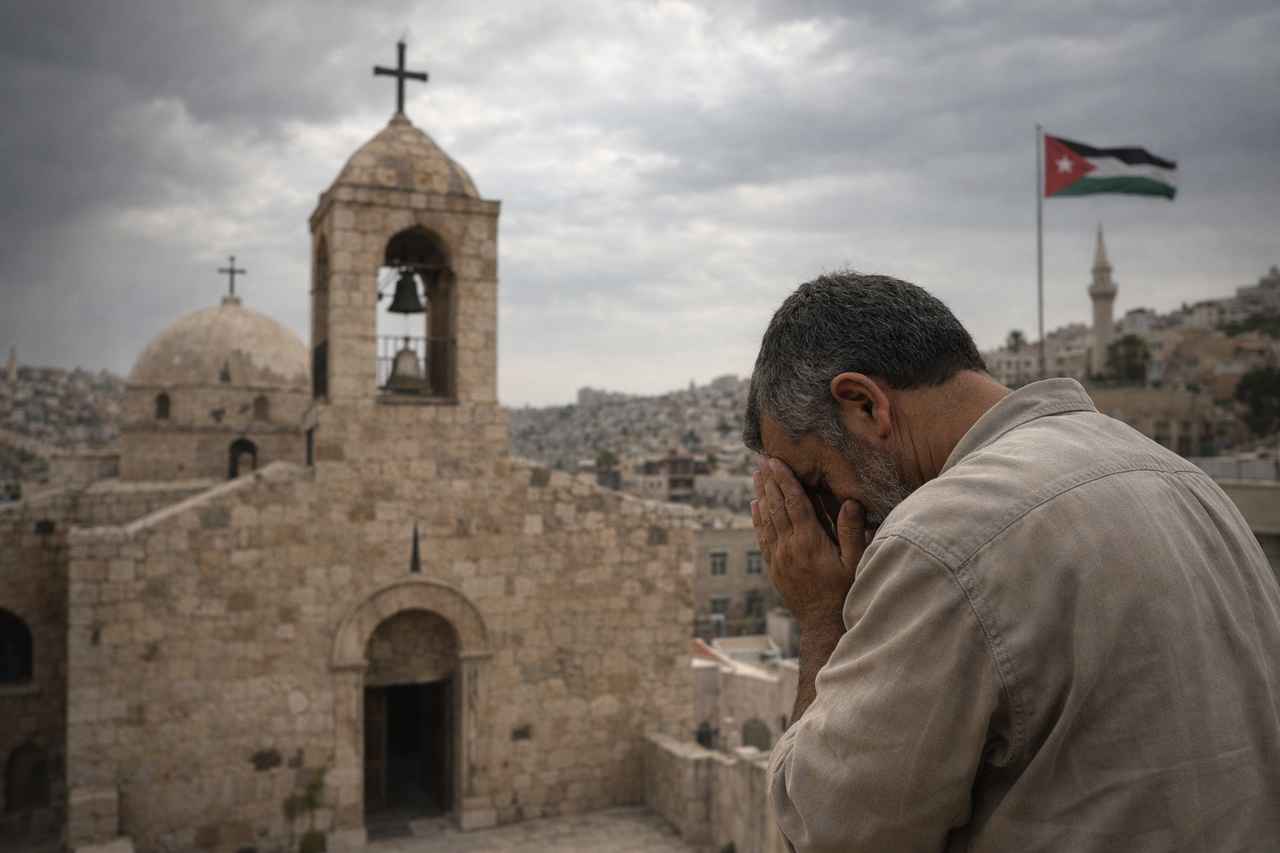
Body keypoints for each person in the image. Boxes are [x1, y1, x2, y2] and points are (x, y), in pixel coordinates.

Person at [745, 271, 1280, 852]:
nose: (832, 515)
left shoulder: (944, 539)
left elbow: (829, 835)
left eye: (819, 482)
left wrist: (823, 614)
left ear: (863, 404)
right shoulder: (1186, 481)